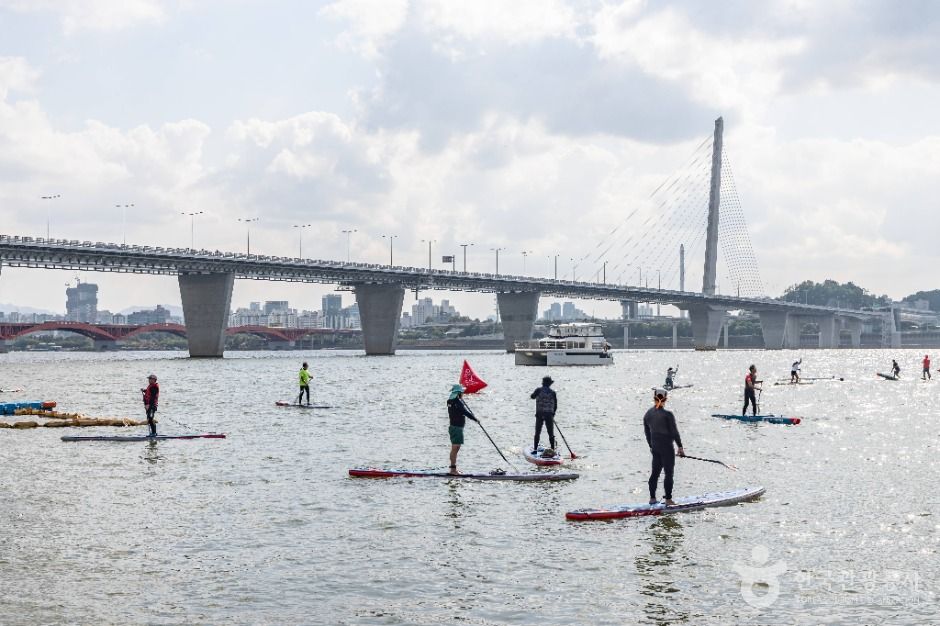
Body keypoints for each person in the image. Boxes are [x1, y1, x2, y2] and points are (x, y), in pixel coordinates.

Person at [644, 388, 685, 506]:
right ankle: (668, 500)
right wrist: (680, 447)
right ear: (665, 399)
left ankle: (652, 498)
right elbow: (674, 432)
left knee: (655, 473)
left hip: (655, 447)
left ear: (654, 398)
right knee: (668, 473)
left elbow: (647, 432)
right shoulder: (667, 415)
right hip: (667, 448)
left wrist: (651, 446)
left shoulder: (648, 414)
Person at [447, 384, 478, 475]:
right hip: (456, 428)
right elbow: (465, 412)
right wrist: (475, 419)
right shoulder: (457, 402)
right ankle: (453, 470)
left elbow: (459, 409)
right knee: (455, 448)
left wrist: (459, 400)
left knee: (456, 448)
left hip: (454, 427)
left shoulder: (450, 401)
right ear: (459, 393)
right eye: (462, 393)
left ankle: (453, 468)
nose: (463, 394)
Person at [530, 376, 558, 453]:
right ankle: (553, 450)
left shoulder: (538, 390)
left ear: (543, 383)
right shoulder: (553, 393)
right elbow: (555, 405)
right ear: (549, 384)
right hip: (549, 414)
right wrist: (553, 414)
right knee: (551, 433)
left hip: (540, 413)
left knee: (537, 432)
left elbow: (532, 397)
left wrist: (534, 395)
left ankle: (535, 449)